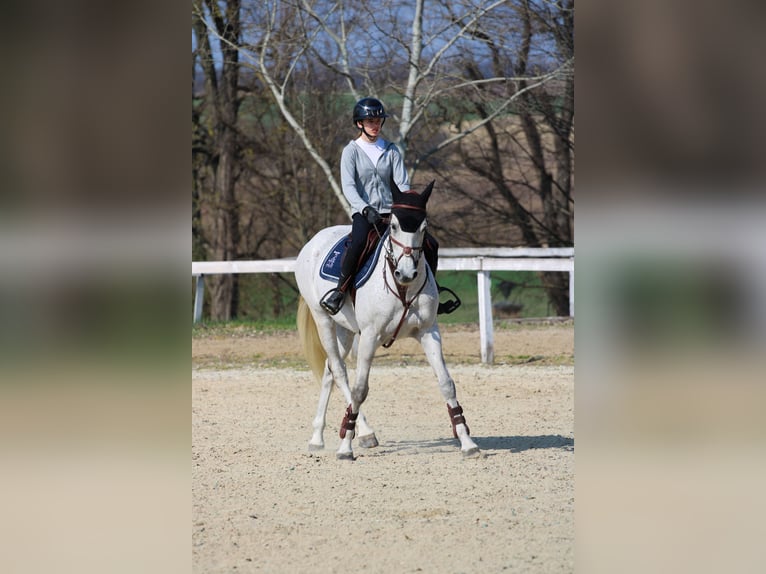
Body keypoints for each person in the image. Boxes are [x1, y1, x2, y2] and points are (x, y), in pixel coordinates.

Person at [320, 97, 458, 316]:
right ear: (359, 124)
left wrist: (405, 206)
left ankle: (434, 294)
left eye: (378, 121)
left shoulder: (391, 150)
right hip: (366, 214)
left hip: (393, 214)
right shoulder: (351, 151)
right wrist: (365, 209)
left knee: (430, 243)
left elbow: (402, 183)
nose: (375, 125)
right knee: (357, 243)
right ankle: (340, 291)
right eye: (370, 121)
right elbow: (348, 187)